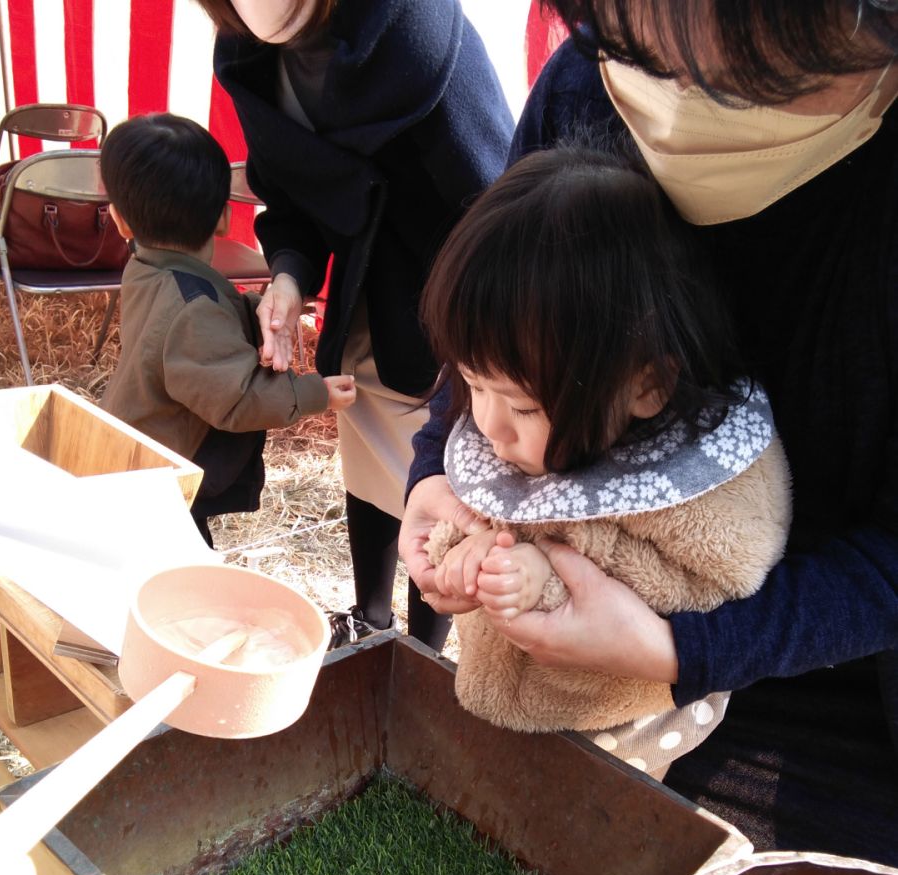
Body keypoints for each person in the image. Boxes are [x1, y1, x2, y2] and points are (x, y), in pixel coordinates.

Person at [401, 1, 898, 862]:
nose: (650, 64)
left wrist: (675, 648)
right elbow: (495, 325)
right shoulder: (588, 82)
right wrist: (433, 475)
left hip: (841, 673)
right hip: (590, 658)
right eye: (623, 25)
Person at [420, 144, 790, 779]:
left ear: (647, 387)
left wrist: (548, 579)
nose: (488, 423)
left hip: (626, 727)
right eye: (473, 385)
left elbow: (709, 584)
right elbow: (484, 513)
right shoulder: (518, 397)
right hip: (513, 702)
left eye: (522, 407)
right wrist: (457, 551)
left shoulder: (701, 486)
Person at [197, 0, 515, 646]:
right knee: (366, 451)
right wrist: (289, 275)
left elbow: (495, 204)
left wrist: (479, 346)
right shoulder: (249, 57)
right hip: (366, 295)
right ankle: (370, 619)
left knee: (434, 468)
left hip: (448, 301)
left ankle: (425, 647)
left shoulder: (413, 34)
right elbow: (290, 197)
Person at [99, 113, 355, 548]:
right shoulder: (195, 309)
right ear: (224, 218)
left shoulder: (145, 267)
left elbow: (206, 321)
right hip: (166, 479)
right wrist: (317, 394)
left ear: (121, 221)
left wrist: (259, 310)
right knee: (181, 570)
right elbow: (237, 400)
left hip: (136, 454)